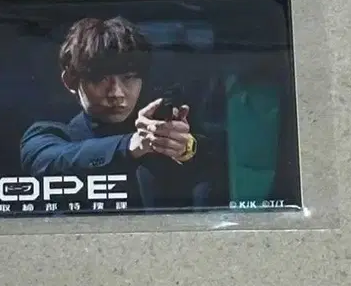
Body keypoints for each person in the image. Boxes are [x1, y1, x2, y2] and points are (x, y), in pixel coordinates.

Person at [20, 17, 213, 211]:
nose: (116, 93)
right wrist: (129, 145)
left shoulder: (164, 133)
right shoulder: (49, 136)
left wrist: (185, 148)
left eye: (128, 78)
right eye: (100, 79)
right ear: (71, 81)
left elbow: (214, 161)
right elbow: (47, 161)